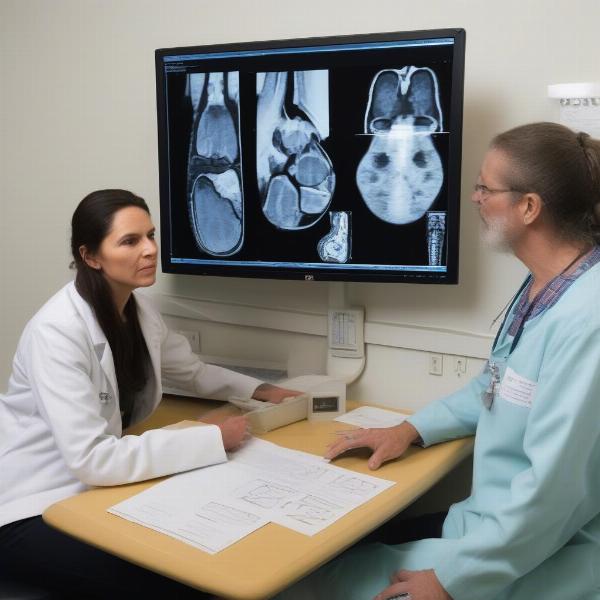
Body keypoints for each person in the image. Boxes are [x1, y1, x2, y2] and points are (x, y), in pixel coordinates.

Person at [275, 122, 600, 600]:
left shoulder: (587, 318)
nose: (474, 199)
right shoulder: (550, 283)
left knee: (305, 584)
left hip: (547, 556)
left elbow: (553, 493)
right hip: (494, 530)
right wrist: (410, 430)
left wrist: (452, 582)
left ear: (529, 207)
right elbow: (496, 385)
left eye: (485, 188)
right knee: (322, 563)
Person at [0, 189, 299, 598]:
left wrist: (262, 390)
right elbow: (92, 460)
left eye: (151, 235)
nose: (150, 250)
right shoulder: (56, 333)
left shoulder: (138, 309)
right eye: (130, 241)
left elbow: (190, 372)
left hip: (90, 490)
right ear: (91, 256)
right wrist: (210, 437)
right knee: (167, 578)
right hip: (30, 504)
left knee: (198, 552)